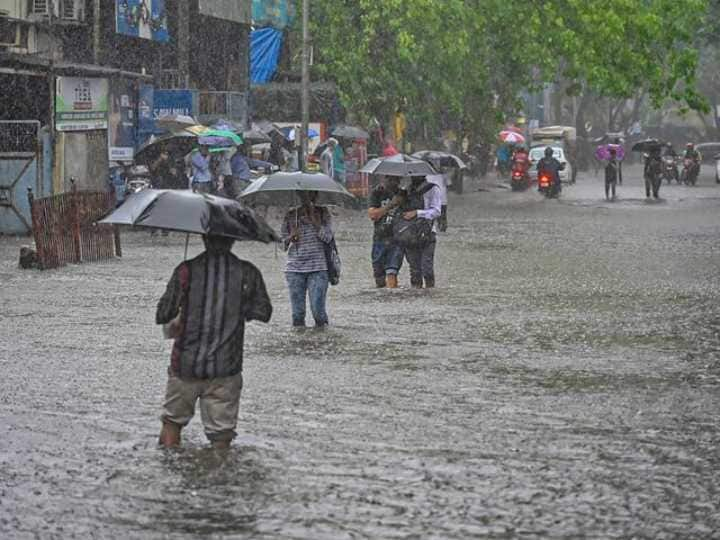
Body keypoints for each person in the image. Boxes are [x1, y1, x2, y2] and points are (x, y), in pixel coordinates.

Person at [155, 234, 272, 449]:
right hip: (226, 369)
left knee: (172, 423)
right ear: (233, 239)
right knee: (221, 436)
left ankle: (167, 474)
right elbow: (264, 312)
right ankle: (219, 478)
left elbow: (162, 314)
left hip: (185, 366)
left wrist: (181, 305)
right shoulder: (248, 272)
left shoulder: (186, 271)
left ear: (204, 238)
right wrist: (238, 307)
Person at [281, 191, 334, 327]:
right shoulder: (291, 215)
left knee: (318, 312)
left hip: (318, 268)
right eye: (303, 196)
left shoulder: (323, 213)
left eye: (310, 195)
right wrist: (290, 237)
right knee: (297, 314)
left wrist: (316, 223)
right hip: (294, 269)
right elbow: (281, 245)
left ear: (315, 196)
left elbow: (328, 238)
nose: (307, 199)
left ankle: (322, 341)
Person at [401, 176, 441, 288]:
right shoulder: (406, 190)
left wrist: (418, 213)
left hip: (427, 233)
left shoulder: (432, 189)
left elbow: (436, 211)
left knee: (427, 268)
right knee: (414, 270)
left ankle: (430, 292)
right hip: (409, 234)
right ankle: (416, 295)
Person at [367, 175, 405, 288]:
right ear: (385, 178)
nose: (394, 182)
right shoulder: (377, 193)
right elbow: (373, 215)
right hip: (380, 237)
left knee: (392, 271)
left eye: (397, 179)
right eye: (391, 179)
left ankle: (392, 298)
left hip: (397, 238)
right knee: (379, 275)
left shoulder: (403, 194)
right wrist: (391, 205)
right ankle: (383, 298)